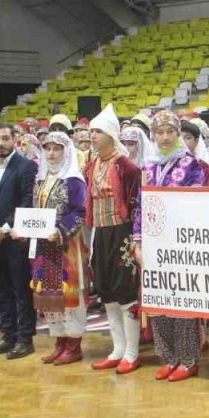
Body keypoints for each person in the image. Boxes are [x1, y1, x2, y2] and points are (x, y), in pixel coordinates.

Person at [133, 110, 209, 382]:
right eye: (160, 132)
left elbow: (198, 206)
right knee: (158, 302)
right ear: (153, 135)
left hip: (181, 245)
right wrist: (137, 240)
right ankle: (168, 357)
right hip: (153, 244)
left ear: (178, 134)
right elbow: (139, 207)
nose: (165, 137)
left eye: (170, 132)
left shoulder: (192, 165)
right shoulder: (149, 167)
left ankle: (188, 359)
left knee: (181, 303)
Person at [84, 105, 143, 374]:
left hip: (122, 232)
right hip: (100, 231)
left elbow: (135, 205)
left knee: (125, 290)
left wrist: (135, 239)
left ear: (111, 134)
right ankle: (117, 348)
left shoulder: (126, 166)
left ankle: (132, 351)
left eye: (97, 131)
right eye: (91, 131)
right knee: (106, 289)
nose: (92, 136)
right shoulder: (91, 164)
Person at [0, 122, 39, 360]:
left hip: (15, 239)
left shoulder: (26, 166)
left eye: (5, 138)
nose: (0, 143)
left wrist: (4, 229)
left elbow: (26, 202)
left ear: (14, 140)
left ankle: (25, 338)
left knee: (20, 289)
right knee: (0, 289)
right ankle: (8, 334)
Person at [32, 132, 89, 366]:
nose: (52, 153)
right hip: (44, 246)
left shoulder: (73, 180)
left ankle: (74, 345)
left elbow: (80, 212)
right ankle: (59, 342)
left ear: (67, 152)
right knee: (49, 294)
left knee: (68, 293)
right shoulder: (41, 178)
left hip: (66, 245)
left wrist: (61, 230)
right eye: (48, 149)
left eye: (57, 149)